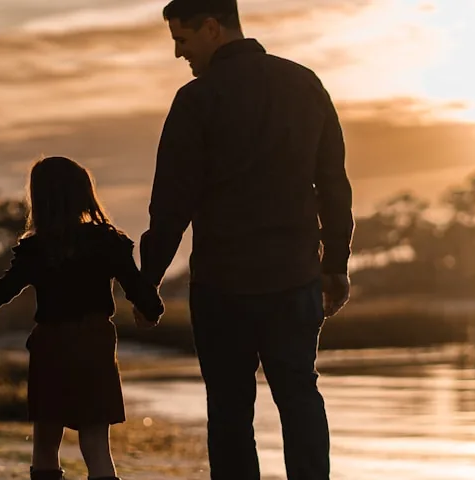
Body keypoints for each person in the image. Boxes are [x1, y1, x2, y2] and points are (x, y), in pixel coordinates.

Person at [136, 1, 355, 479]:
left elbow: (171, 205)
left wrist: (146, 283)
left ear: (212, 28)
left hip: (222, 287)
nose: (179, 54)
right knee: (299, 395)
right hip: (294, 277)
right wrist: (335, 264)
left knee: (231, 410)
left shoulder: (196, 101)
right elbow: (333, 185)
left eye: (183, 39)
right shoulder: (304, 84)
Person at [0, 157, 157, 480]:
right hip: (95, 342)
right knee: (95, 443)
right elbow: (139, 289)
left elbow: (3, 290)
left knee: (46, 441)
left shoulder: (36, 249)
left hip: (52, 345)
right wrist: (150, 311)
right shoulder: (108, 241)